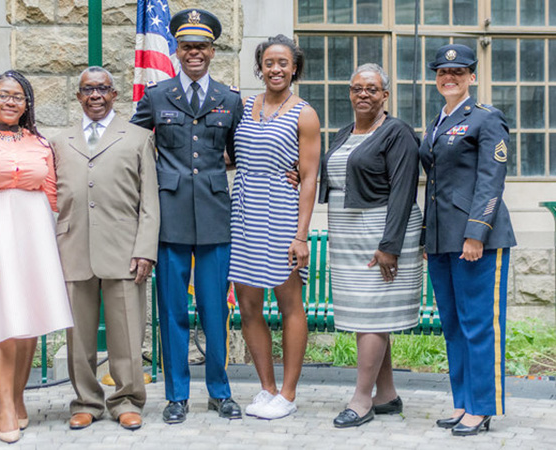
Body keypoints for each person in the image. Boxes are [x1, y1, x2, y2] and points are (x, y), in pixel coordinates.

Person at [131, 8, 243, 424]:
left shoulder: (228, 100)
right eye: (187, 46)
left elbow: (243, 151)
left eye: (202, 46)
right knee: (173, 309)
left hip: (215, 217)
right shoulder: (157, 97)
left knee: (215, 310)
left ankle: (219, 391)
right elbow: (131, 143)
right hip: (170, 216)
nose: (194, 52)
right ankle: (176, 395)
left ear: (212, 51)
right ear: (176, 50)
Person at [0, 70, 74, 443]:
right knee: (1, 320)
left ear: (26, 104)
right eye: (3, 95)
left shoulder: (39, 142)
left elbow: (53, 195)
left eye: (18, 97)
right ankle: (5, 404)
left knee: (29, 319)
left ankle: (19, 397)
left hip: (35, 236)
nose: (10, 102)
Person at [51, 67, 159, 431]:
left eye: (102, 89)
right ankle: (86, 400)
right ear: (78, 96)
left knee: (127, 330)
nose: (94, 95)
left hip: (125, 248)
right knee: (78, 335)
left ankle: (127, 399)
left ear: (115, 94)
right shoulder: (60, 142)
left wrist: (145, 248)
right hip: (73, 246)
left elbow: (150, 203)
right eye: (87, 89)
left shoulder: (139, 137)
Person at [318, 63, 423, 428]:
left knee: (372, 316)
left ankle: (361, 400)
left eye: (371, 89)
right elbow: (335, 174)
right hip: (348, 234)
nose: (363, 94)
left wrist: (389, 245)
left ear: (385, 96)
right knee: (370, 317)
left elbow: (404, 191)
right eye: (357, 88)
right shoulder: (346, 131)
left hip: (382, 233)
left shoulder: (398, 133)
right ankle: (388, 395)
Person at [420, 44, 516, 436]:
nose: (450, 77)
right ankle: (463, 403)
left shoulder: (485, 119)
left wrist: (477, 233)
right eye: (443, 72)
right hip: (443, 240)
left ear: (471, 77)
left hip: (477, 240)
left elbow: (491, 180)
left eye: (458, 72)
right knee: (454, 325)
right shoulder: (438, 122)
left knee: (478, 324)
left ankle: (482, 407)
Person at [227, 35, 320, 420]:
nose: (276, 69)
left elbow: (310, 176)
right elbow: (230, 155)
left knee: (288, 302)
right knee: (248, 304)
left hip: (282, 212)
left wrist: (301, 236)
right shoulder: (244, 107)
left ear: (294, 67)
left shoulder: (304, 114)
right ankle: (265, 388)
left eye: (283, 62)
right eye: (269, 62)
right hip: (245, 209)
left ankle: (288, 391)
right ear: (260, 67)